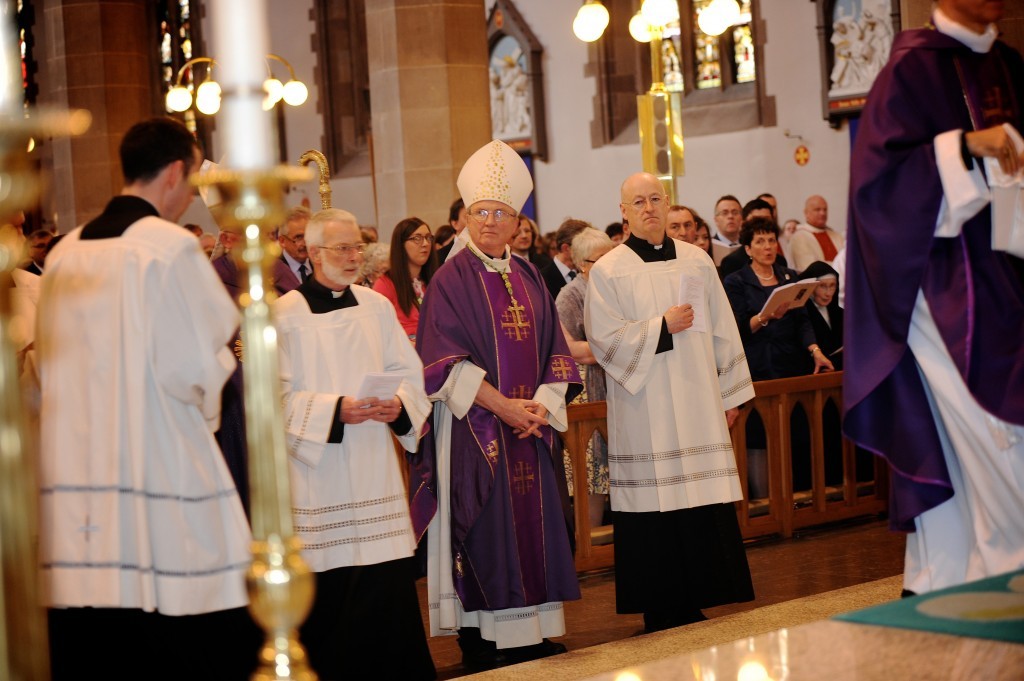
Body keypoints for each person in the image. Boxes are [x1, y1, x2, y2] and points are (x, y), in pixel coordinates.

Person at [37, 117, 258, 678]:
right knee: (182, 620)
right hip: (158, 455)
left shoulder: (63, 252)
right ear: (177, 172)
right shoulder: (169, 247)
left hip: (76, 466)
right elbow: (200, 363)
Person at [845, 0, 1024, 595]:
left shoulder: (1010, 65)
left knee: (964, 443)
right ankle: (1003, 573)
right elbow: (877, 192)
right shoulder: (910, 68)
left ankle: (944, 578)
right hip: (943, 287)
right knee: (989, 429)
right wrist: (965, 147)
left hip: (1011, 272)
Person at [412, 139, 582, 669]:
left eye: (500, 213)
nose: (488, 221)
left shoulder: (530, 275)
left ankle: (531, 629)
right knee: (483, 529)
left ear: (517, 223)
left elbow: (557, 351)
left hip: (529, 432)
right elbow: (443, 361)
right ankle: (482, 639)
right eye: (479, 212)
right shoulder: (449, 279)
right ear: (465, 217)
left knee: (535, 531)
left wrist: (541, 405)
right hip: (475, 432)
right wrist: (504, 408)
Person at [585, 172, 756, 633]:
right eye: (637, 201)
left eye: (655, 198)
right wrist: (661, 325)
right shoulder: (609, 270)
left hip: (697, 399)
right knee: (655, 504)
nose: (648, 208)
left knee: (698, 498)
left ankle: (698, 595)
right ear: (623, 211)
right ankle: (660, 605)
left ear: (667, 203)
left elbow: (723, 327)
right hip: (646, 407)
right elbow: (604, 341)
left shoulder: (697, 261)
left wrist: (730, 393)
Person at [273, 208, 435, 680]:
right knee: (333, 596)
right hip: (318, 475)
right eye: (341, 248)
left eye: (357, 248)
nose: (352, 257)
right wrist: (333, 409)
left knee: (385, 588)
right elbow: (270, 398)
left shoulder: (376, 306)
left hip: (372, 468)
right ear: (314, 251)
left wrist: (398, 406)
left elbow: (409, 376)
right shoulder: (284, 315)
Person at [555, 227, 614, 529]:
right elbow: (571, 349)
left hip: (617, 387)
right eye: (599, 260)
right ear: (581, 264)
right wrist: (619, 344)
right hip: (586, 393)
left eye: (611, 257)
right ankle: (589, 542)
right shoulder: (570, 295)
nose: (608, 265)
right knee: (591, 474)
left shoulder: (616, 289)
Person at [373, 217, 439, 342]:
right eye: (417, 238)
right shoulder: (385, 285)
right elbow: (377, 333)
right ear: (401, 245)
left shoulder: (433, 281)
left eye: (428, 237)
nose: (425, 243)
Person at [797, 261, 843, 370]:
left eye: (832, 286)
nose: (828, 293)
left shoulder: (840, 312)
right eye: (822, 286)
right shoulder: (801, 312)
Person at [788, 195, 844, 271]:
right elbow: (810, 267)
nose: (822, 213)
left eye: (825, 209)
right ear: (806, 212)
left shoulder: (837, 236)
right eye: (817, 210)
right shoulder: (799, 237)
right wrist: (841, 266)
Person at [539, 218, 589, 299]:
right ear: (566, 248)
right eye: (583, 246)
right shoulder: (541, 280)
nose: (588, 251)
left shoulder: (586, 273)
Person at [279, 205, 313, 282]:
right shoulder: (274, 272)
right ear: (282, 241)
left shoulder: (319, 266)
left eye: (308, 235)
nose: (305, 243)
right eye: (298, 237)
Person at [436, 197, 467, 262]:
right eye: (467, 217)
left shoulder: (488, 252)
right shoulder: (439, 256)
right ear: (455, 224)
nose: (473, 221)